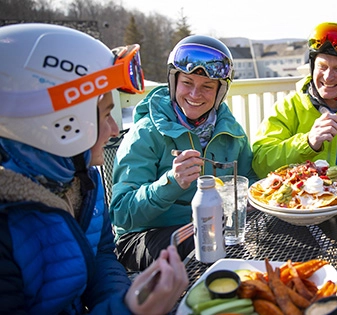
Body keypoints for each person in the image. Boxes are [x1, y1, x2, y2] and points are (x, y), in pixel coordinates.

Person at [0, 23, 188, 314]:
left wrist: (126, 299)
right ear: (61, 123)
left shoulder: (82, 177)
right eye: (103, 114)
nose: (114, 129)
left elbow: (101, 254)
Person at [110, 35, 258, 271]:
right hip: (143, 236)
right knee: (208, 244)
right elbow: (121, 213)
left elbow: (248, 181)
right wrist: (170, 182)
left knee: (263, 234)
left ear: (220, 92)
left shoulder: (231, 132)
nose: (195, 94)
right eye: (187, 83)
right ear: (174, 82)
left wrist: (254, 197)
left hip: (211, 226)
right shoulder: (146, 132)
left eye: (207, 86)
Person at [251, 22, 337, 178]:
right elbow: (260, 163)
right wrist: (308, 142)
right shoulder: (288, 108)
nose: (328, 77)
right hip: (299, 198)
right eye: (322, 66)